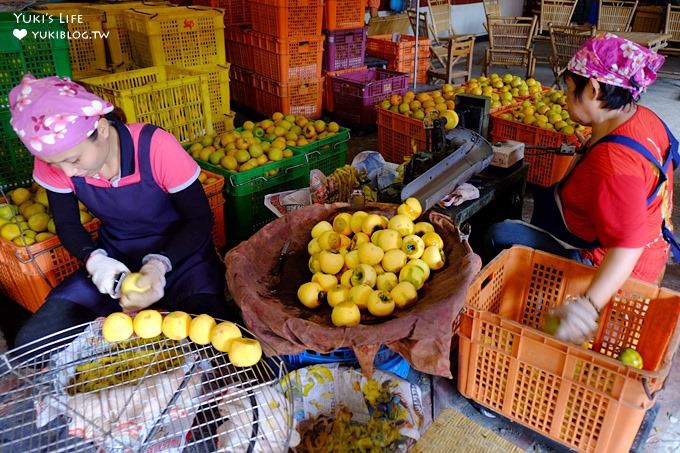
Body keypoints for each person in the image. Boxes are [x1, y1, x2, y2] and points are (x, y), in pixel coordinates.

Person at [9, 74, 234, 348]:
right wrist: (95, 261)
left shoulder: (155, 147)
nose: (68, 172)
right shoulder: (55, 161)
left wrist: (158, 265)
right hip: (115, 260)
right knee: (33, 344)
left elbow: (199, 218)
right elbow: (68, 224)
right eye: (55, 165)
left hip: (183, 258)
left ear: (102, 129)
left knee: (214, 343)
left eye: (74, 159)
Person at [485, 33, 679, 344]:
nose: (565, 97)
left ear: (594, 88)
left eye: (569, 89)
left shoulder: (615, 164)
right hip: (647, 239)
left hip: (612, 264)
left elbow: (626, 247)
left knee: (500, 234)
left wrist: (587, 306)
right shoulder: (642, 118)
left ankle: (521, 305)